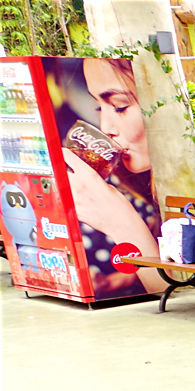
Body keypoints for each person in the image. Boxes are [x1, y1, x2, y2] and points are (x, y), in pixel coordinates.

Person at [59, 58, 166, 296]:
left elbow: (182, 299)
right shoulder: (126, 179)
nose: (105, 126)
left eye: (119, 107)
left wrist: (122, 224)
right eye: (99, 107)